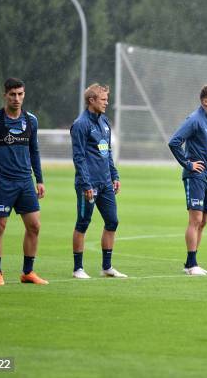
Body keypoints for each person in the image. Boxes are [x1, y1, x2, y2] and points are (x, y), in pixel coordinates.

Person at [0, 78, 47, 285]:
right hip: (2, 181)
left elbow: (35, 152)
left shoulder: (31, 121)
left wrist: (39, 179)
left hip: (25, 182)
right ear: (5, 95)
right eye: (12, 94)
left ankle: (28, 273)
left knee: (35, 226)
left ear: (24, 95)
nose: (17, 98)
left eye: (20, 94)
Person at [70, 83, 126, 279]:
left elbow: (107, 152)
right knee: (83, 222)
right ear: (91, 100)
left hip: (105, 183)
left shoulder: (104, 122)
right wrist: (86, 184)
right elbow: (78, 157)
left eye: (107, 99)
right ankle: (78, 268)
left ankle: (107, 267)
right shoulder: (80, 124)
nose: (106, 103)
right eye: (103, 99)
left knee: (112, 221)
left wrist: (115, 176)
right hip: (89, 184)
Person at [169, 85, 207, 276]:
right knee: (196, 219)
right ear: (205, 101)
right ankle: (192, 264)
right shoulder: (194, 120)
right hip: (195, 176)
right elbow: (174, 142)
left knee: (204, 220)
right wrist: (188, 164)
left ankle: (191, 263)